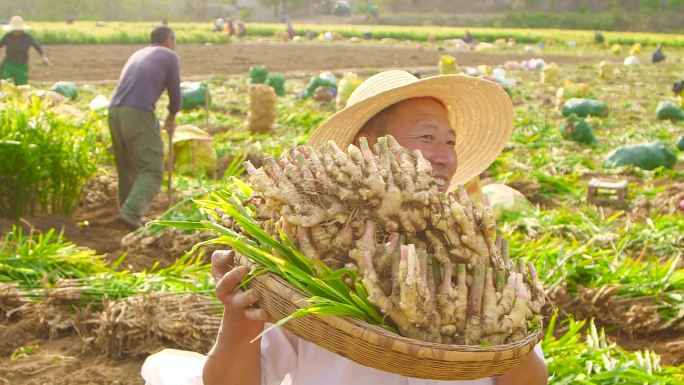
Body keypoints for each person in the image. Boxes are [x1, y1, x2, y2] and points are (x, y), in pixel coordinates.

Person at [141, 71, 548, 385]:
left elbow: (528, 381)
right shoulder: (303, 255)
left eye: (451, 142)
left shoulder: (474, 254)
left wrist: (511, 328)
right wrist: (240, 314)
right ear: (367, 146)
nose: (444, 158)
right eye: (427, 137)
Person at [108, 26, 180, 229]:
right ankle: (131, 213)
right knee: (153, 169)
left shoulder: (139, 53)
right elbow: (175, 94)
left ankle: (126, 212)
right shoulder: (169, 56)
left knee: (127, 166)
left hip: (114, 110)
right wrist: (171, 116)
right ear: (168, 41)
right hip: (137, 111)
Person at [0, 16, 49, 86]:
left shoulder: (27, 37)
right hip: (9, 63)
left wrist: (43, 56)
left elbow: (37, 46)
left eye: (18, 30)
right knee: (3, 82)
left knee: (21, 86)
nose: (16, 32)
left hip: (22, 65)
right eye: (14, 30)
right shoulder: (8, 36)